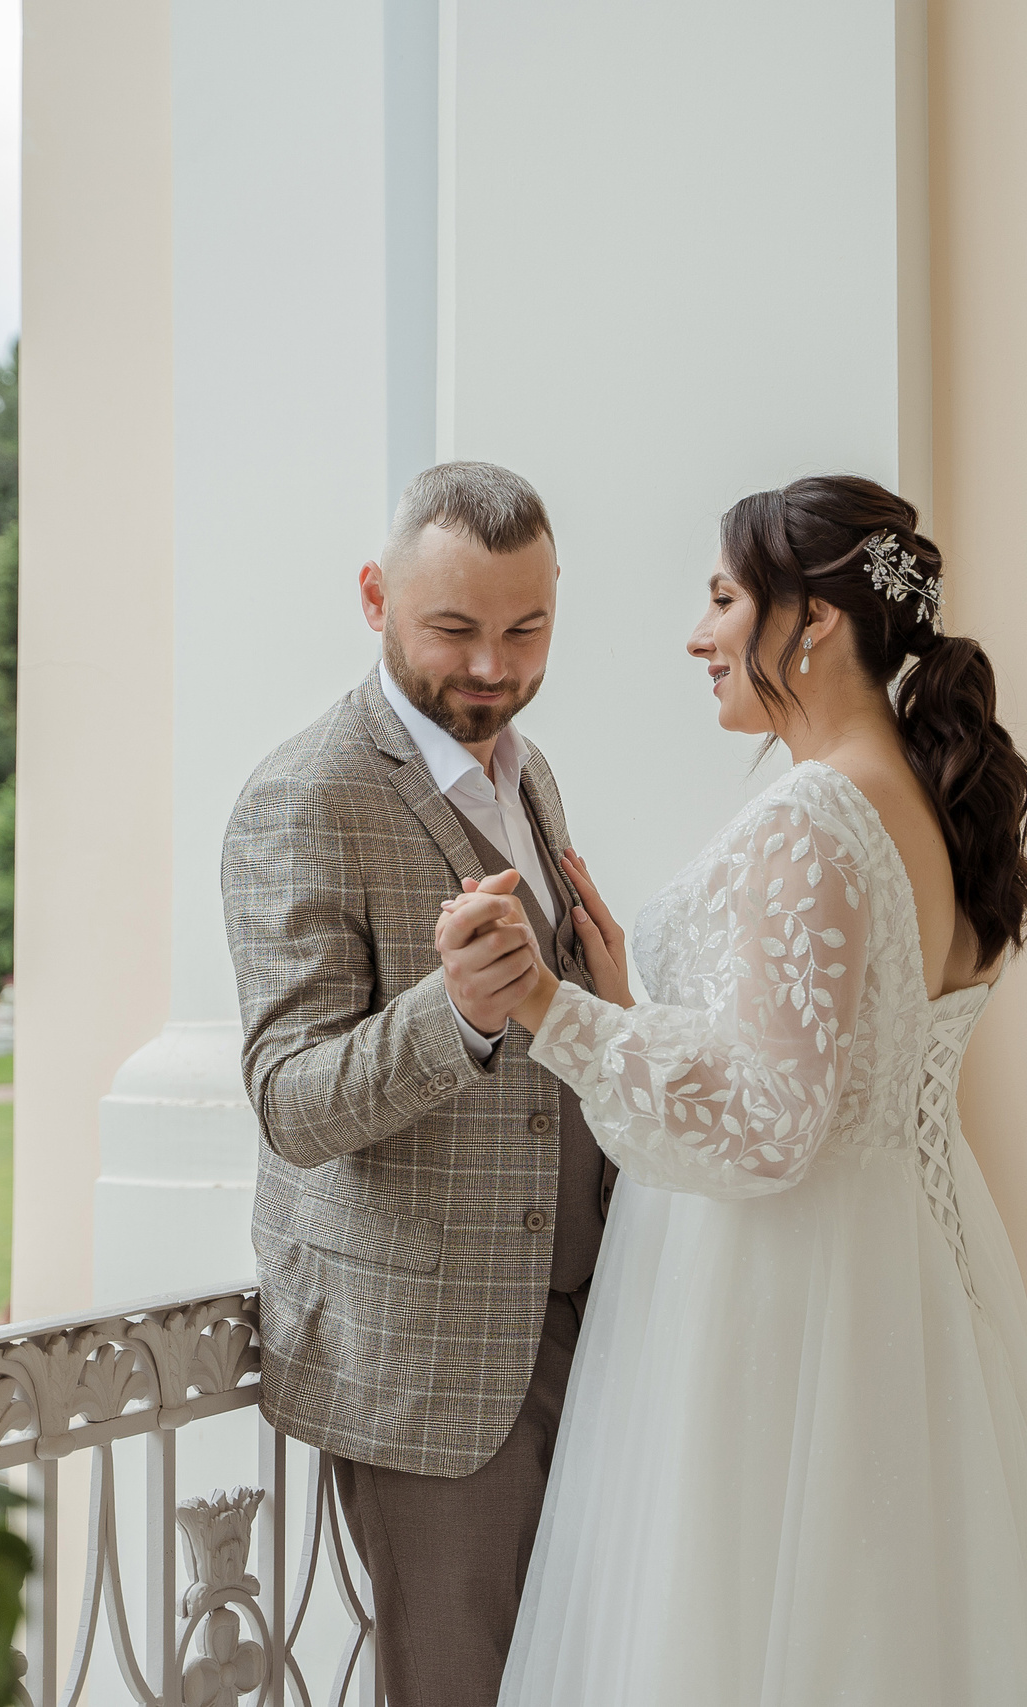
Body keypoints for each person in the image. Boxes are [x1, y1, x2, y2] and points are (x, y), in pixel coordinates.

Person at [483, 475, 1027, 1705]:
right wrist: (641, 1012)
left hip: (779, 1313)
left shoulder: (816, 815)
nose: (698, 634)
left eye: (725, 598)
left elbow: (773, 1125)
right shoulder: (926, 809)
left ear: (815, 622)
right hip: (905, 1290)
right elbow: (828, 1070)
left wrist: (553, 1014)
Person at [222, 462, 609, 1707]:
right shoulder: (305, 796)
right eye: (453, 630)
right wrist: (453, 1014)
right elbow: (289, 1100)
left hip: (581, 1328)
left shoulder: (526, 771)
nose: (491, 668)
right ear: (375, 597)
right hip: (431, 1369)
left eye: (524, 628)